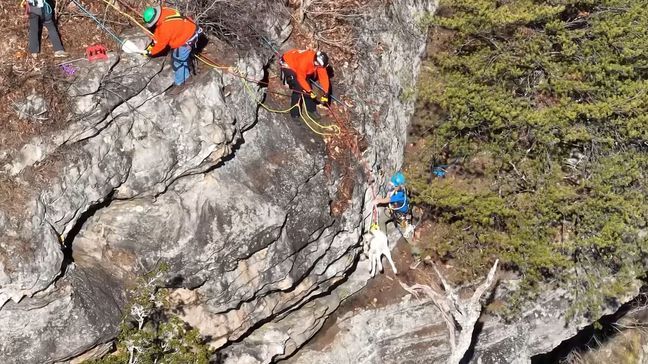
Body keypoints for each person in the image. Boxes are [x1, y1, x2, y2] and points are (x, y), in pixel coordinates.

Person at [142, 5, 203, 86]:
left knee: (178, 60)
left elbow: (161, 44)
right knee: (182, 57)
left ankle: (181, 82)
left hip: (187, 38)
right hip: (192, 28)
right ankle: (186, 73)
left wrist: (150, 52)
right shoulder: (165, 10)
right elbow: (160, 32)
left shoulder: (165, 28)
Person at [280, 49, 331, 119]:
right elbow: (300, 78)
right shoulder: (305, 61)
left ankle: (311, 109)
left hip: (301, 68)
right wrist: (309, 91)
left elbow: (324, 77)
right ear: (316, 62)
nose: (321, 68)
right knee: (298, 88)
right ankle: (294, 114)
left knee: (308, 86)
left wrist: (326, 93)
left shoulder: (320, 63)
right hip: (288, 63)